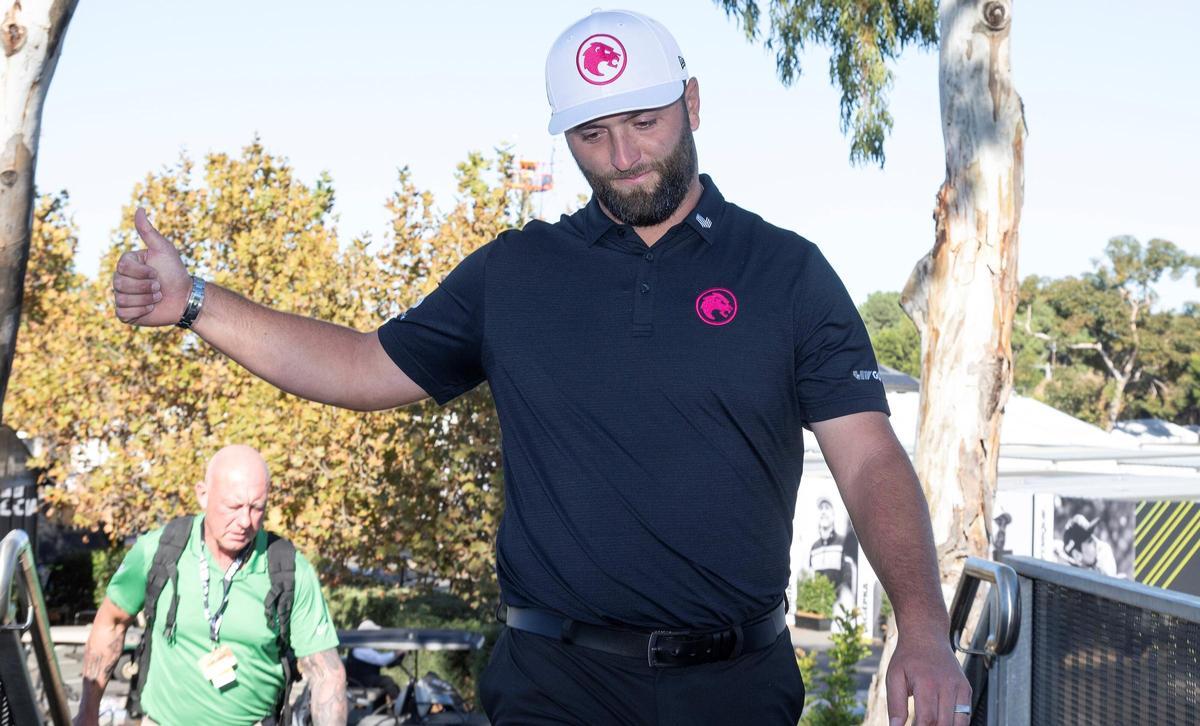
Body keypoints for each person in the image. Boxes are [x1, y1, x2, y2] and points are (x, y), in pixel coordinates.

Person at [110, 9, 970, 725]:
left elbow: (868, 458)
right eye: (594, 134)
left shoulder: (788, 273)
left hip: (735, 686)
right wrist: (197, 303)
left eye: (646, 121)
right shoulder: (515, 274)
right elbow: (366, 366)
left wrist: (923, 629)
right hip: (552, 685)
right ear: (567, 140)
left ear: (693, 103)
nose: (626, 155)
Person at [73, 445, 347, 726]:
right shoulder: (158, 551)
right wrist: (88, 712)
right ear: (202, 495)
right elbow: (112, 623)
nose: (244, 521)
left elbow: (327, 674)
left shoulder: (288, 569)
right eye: (233, 506)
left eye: (257, 508)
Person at [809, 496, 857, 616]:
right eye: (821, 509)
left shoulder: (843, 543)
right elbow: (811, 579)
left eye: (827, 508)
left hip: (837, 613)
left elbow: (848, 580)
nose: (824, 512)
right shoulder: (814, 548)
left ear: (834, 515)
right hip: (817, 612)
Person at [1054, 513, 1118, 577]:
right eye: (1090, 541)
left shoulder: (1102, 556)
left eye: (1093, 536)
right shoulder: (1070, 577)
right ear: (1077, 555)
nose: (1096, 542)